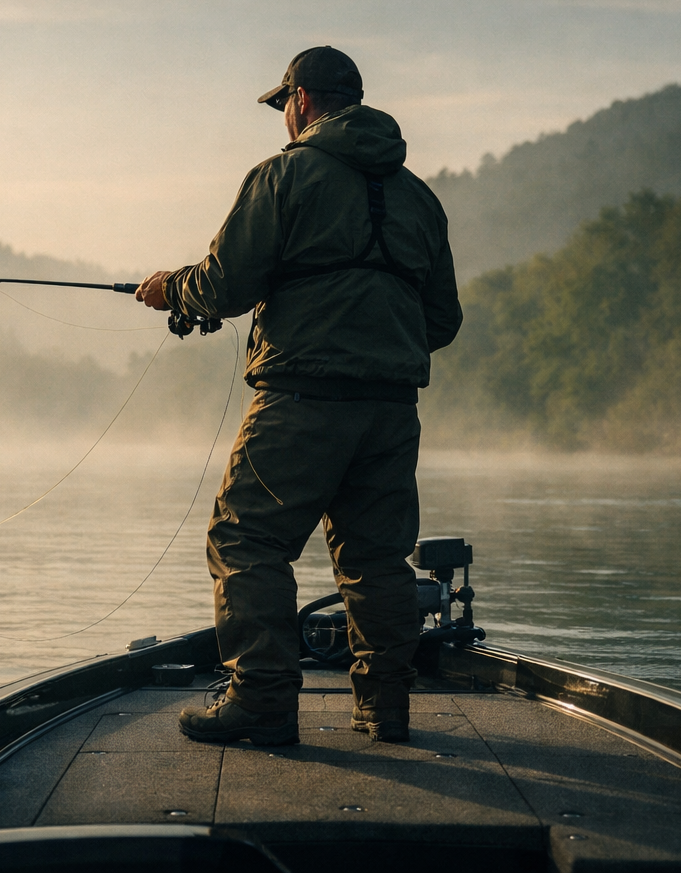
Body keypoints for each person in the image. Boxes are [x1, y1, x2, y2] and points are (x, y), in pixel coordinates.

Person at [136, 46, 462, 746]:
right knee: (377, 560)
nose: (283, 118)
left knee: (245, 538)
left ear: (303, 101)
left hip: (301, 402)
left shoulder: (283, 175)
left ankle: (261, 701)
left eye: (283, 104)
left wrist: (172, 289)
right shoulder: (420, 198)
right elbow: (443, 321)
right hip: (391, 410)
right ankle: (385, 710)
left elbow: (222, 286)